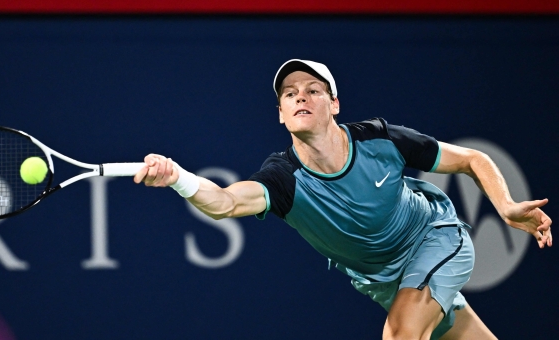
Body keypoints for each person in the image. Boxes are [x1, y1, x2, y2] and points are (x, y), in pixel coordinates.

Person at [133, 59, 552, 340]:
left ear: (334, 103)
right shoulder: (284, 178)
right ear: (280, 113)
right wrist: (179, 178)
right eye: (290, 93)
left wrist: (508, 207)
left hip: (435, 240)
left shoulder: (379, 139)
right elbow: (224, 202)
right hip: (382, 279)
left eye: (312, 90)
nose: (300, 96)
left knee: (401, 334)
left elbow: (472, 159)